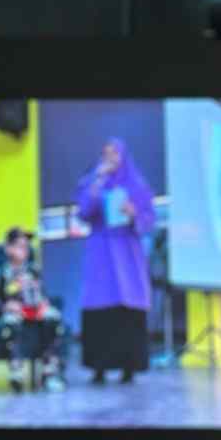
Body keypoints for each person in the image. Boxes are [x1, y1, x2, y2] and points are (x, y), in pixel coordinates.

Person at [74, 138, 156, 384]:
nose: (109, 158)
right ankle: (98, 368)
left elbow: (148, 221)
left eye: (114, 154)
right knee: (100, 306)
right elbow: (83, 212)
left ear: (123, 157)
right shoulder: (92, 182)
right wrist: (97, 180)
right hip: (101, 252)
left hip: (127, 252)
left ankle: (128, 368)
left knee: (127, 306)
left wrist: (134, 214)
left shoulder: (137, 185)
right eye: (106, 153)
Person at [0, 227, 60, 393]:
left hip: (36, 310)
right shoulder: (2, 273)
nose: (24, 250)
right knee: (10, 323)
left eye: (26, 246)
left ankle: (49, 370)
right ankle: (16, 371)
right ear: (8, 248)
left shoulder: (33, 270)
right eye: (19, 246)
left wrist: (44, 302)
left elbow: (43, 293)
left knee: (53, 318)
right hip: (16, 311)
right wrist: (6, 305)